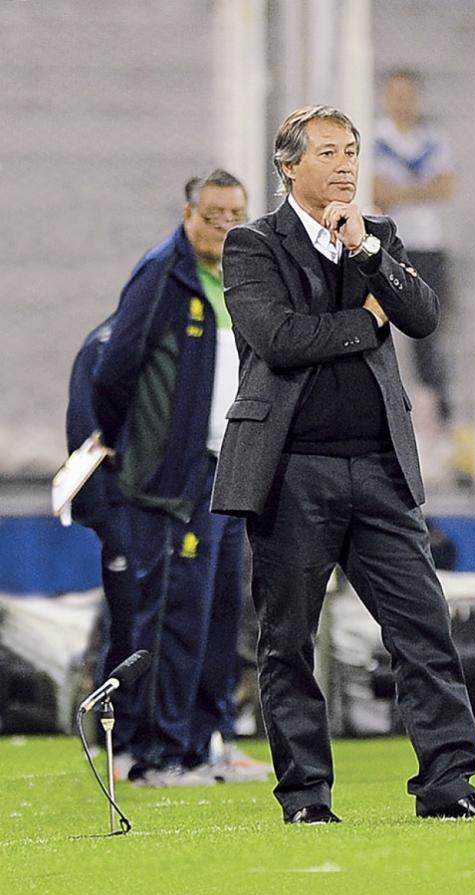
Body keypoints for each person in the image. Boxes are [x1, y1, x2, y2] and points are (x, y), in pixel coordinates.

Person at [211, 106, 475, 823]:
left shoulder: (375, 236)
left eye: (352, 150)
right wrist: (365, 321)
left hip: (382, 469)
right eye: (329, 152)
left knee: (424, 628)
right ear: (289, 165)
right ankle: (307, 799)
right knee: (287, 643)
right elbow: (280, 338)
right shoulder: (253, 245)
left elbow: (422, 316)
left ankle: (449, 786)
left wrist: (373, 260)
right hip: (291, 473)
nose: (347, 163)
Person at [93, 169, 271, 787]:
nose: (224, 224)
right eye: (213, 214)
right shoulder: (161, 275)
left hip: (226, 469)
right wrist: (135, 448)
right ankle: (152, 754)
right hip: (175, 478)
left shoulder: (240, 278)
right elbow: (112, 370)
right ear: (188, 213)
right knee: (170, 613)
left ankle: (205, 742)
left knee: (221, 612)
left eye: (234, 214)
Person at [66, 315, 138, 757]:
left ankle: (188, 736)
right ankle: (115, 735)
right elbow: (86, 435)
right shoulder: (106, 345)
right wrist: (99, 510)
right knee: (128, 619)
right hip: (119, 503)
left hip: (154, 504)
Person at [373, 69, 455, 423]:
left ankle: (434, 411)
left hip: (427, 243)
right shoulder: (375, 137)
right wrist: (422, 188)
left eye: (408, 94)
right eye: (396, 94)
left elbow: (446, 187)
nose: (402, 102)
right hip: (387, 244)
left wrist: (400, 191)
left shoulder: (433, 138)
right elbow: (378, 193)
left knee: (426, 331)